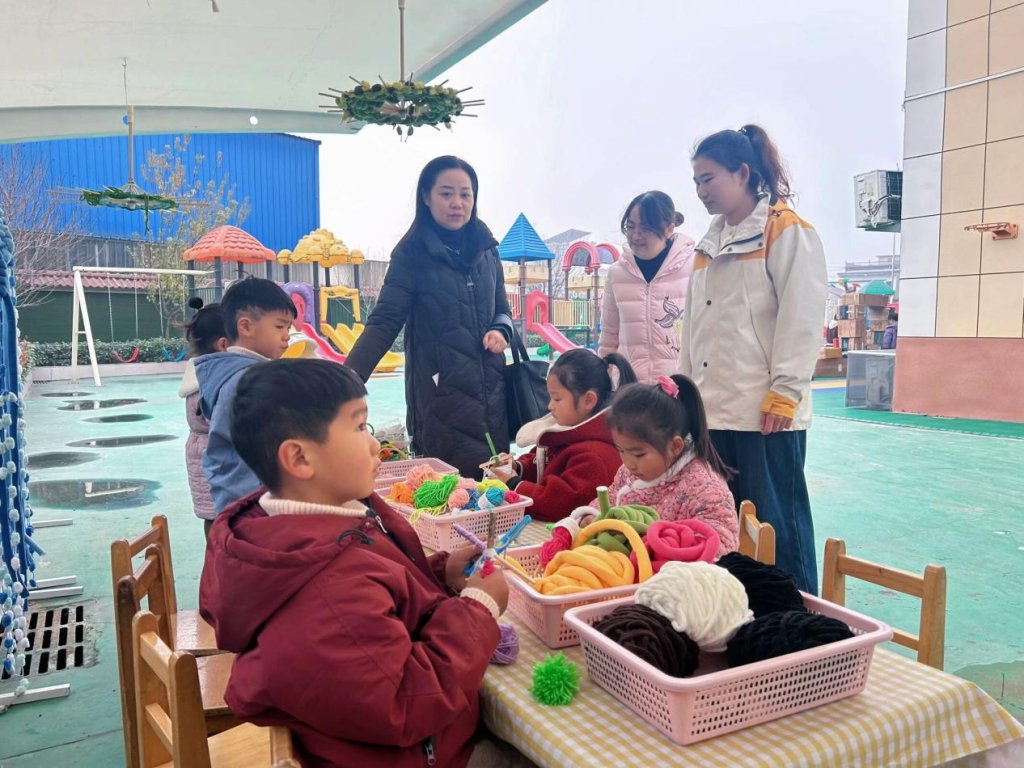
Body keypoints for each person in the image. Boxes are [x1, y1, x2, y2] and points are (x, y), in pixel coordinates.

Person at [200, 359, 508, 768]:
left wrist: (440, 572)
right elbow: (407, 700)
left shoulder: (319, 524)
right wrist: (479, 608)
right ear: (300, 459)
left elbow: (381, 591)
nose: (376, 445)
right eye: (360, 426)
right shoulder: (325, 589)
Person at [682, 124, 828, 592]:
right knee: (725, 527)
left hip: (765, 415)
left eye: (709, 178)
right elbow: (693, 328)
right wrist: (686, 397)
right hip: (715, 413)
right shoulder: (707, 244)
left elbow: (802, 318)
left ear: (743, 173)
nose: (701, 191)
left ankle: (798, 614)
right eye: (696, 181)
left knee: (777, 530)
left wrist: (785, 392)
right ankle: (739, 613)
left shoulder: (785, 230)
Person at [346, 156, 512, 478]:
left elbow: (502, 310)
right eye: (446, 193)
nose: (457, 203)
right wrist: (347, 380)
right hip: (440, 399)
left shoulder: (487, 248)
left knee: (496, 490)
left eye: (465, 194)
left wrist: (501, 330)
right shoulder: (411, 254)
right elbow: (384, 321)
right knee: (445, 491)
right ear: (426, 197)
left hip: (493, 395)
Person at [583, 375, 737, 559]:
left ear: (675, 446)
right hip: (624, 566)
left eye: (639, 454)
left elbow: (720, 546)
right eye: (621, 450)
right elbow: (611, 497)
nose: (629, 463)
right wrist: (592, 516)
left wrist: (658, 549)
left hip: (672, 573)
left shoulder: (704, 489)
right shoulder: (630, 471)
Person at [487, 349, 637, 521]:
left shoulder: (593, 455)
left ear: (588, 400)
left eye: (557, 399)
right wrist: (517, 467)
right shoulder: (570, 433)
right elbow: (542, 461)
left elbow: (559, 505)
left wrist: (513, 484)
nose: (550, 406)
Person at [195, 277, 296, 516]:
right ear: (246, 327)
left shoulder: (235, 374)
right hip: (252, 504)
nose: (287, 336)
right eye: (279, 327)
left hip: (241, 500)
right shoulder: (248, 381)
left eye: (289, 328)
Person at [598, 191, 695, 384]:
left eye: (645, 228)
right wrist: (604, 379)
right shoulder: (617, 273)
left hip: (678, 388)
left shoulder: (694, 267)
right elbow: (609, 337)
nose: (636, 235)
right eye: (630, 226)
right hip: (629, 388)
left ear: (669, 229)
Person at [178, 297, 229, 538]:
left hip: (203, 453)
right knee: (219, 518)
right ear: (224, 345)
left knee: (213, 517)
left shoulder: (199, 374)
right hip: (213, 458)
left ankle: (214, 554)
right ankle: (217, 556)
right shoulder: (211, 383)